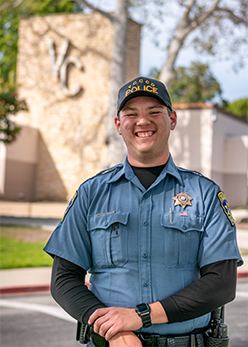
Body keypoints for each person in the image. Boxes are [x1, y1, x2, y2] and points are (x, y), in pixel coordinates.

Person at [44, 76, 243, 347]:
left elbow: (221, 283)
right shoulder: (92, 193)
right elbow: (64, 278)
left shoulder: (205, 194)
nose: (142, 121)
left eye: (154, 112)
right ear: (118, 124)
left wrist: (140, 317)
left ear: (172, 119)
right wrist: (113, 328)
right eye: (131, 114)